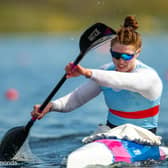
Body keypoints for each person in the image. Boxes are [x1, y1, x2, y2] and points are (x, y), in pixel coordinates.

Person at [31, 16, 163, 134]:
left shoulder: (149, 77)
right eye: (116, 55)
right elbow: (77, 98)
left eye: (127, 56)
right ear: (110, 51)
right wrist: (51, 106)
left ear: (138, 53)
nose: (121, 61)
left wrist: (87, 73)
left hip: (143, 137)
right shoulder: (105, 70)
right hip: (111, 132)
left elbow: (121, 80)